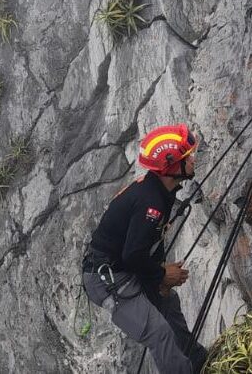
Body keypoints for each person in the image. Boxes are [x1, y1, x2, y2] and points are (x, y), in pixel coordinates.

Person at [81, 124, 207, 374]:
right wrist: (161, 274)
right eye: (187, 157)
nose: (193, 159)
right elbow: (132, 254)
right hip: (107, 279)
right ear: (172, 167)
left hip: (123, 267)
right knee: (158, 332)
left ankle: (199, 361)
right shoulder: (151, 202)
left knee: (167, 301)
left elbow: (149, 241)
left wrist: (160, 280)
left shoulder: (161, 190)